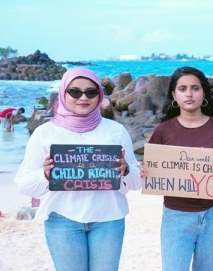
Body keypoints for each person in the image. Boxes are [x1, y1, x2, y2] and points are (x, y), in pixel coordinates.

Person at [13, 67, 142, 270]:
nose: (84, 97)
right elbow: (24, 185)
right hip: (62, 220)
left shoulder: (116, 131)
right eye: (75, 91)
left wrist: (125, 170)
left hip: (109, 219)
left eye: (91, 92)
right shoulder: (44, 133)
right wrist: (45, 174)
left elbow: (136, 181)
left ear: (99, 95)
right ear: (63, 94)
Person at [147, 66, 213, 271]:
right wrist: (146, 171)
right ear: (173, 95)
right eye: (182, 88)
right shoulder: (162, 131)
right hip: (175, 214)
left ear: (203, 92)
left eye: (195, 88)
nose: (189, 93)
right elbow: (152, 169)